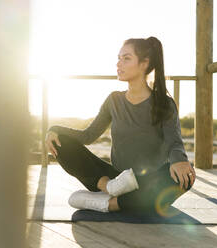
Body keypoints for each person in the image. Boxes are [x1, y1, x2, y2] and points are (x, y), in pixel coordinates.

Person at [45, 36, 196, 216]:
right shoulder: (114, 100)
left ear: (144, 64)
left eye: (126, 58)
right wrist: (55, 130)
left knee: (186, 177)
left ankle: (107, 204)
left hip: (148, 181)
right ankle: (110, 190)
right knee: (60, 142)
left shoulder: (164, 103)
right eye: (118, 58)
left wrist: (179, 161)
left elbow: (174, 142)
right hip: (116, 178)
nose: (119, 64)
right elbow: (88, 135)